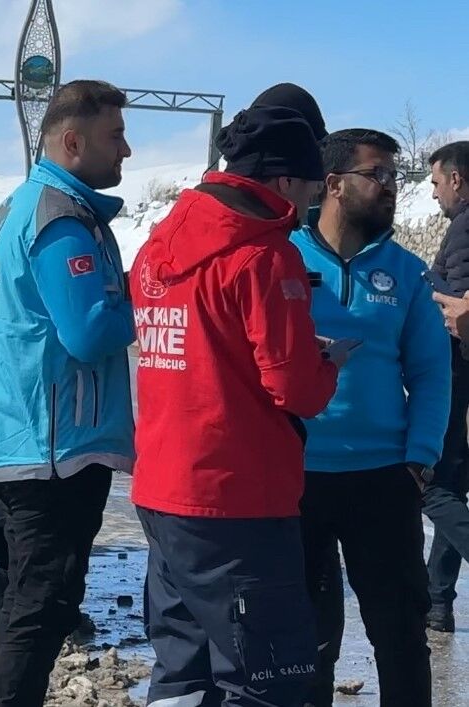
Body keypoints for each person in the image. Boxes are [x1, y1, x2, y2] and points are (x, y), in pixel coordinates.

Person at [129, 102, 344, 706]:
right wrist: (327, 364)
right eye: (306, 187)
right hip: (238, 498)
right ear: (282, 181)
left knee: (181, 669)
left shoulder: (157, 247)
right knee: (267, 679)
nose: (307, 205)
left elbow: (200, 348)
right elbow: (295, 389)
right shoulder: (266, 255)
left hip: (164, 489)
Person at [0, 79, 134, 705]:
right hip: (52, 445)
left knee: (34, 602)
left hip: (27, 433)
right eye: (115, 135)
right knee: (39, 607)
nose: (127, 150)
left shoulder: (21, 204)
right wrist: (137, 305)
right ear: (73, 141)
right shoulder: (63, 221)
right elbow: (91, 335)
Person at [291, 129, 450, 706]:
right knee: (309, 639)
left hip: (385, 478)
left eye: (396, 178)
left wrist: (420, 459)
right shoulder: (281, 258)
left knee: (400, 634)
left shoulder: (406, 273)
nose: (392, 189)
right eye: (378, 175)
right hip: (297, 477)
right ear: (333, 184)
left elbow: (432, 372)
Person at [424, 141, 469, 632]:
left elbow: (459, 308)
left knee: (433, 489)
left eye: (437, 182)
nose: (434, 193)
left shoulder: (466, 227)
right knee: (452, 485)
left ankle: (436, 601)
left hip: (458, 373)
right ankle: (437, 602)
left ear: (457, 179)